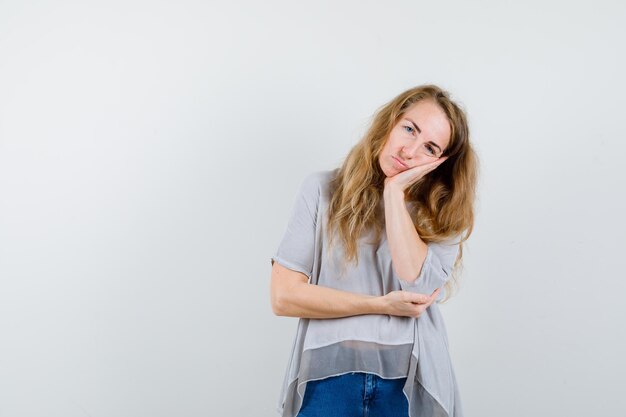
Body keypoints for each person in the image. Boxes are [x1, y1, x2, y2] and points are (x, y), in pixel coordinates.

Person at [269, 84, 478, 417]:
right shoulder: (321, 191)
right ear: (390, 123)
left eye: (429, 147)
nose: (409, 151)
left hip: (408, 380)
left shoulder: (444, 211)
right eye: (409, 129)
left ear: (439, 163)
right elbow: (283, 297)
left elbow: (418, 286)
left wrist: (393, 194)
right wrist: (378, 305)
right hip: (328, 377)